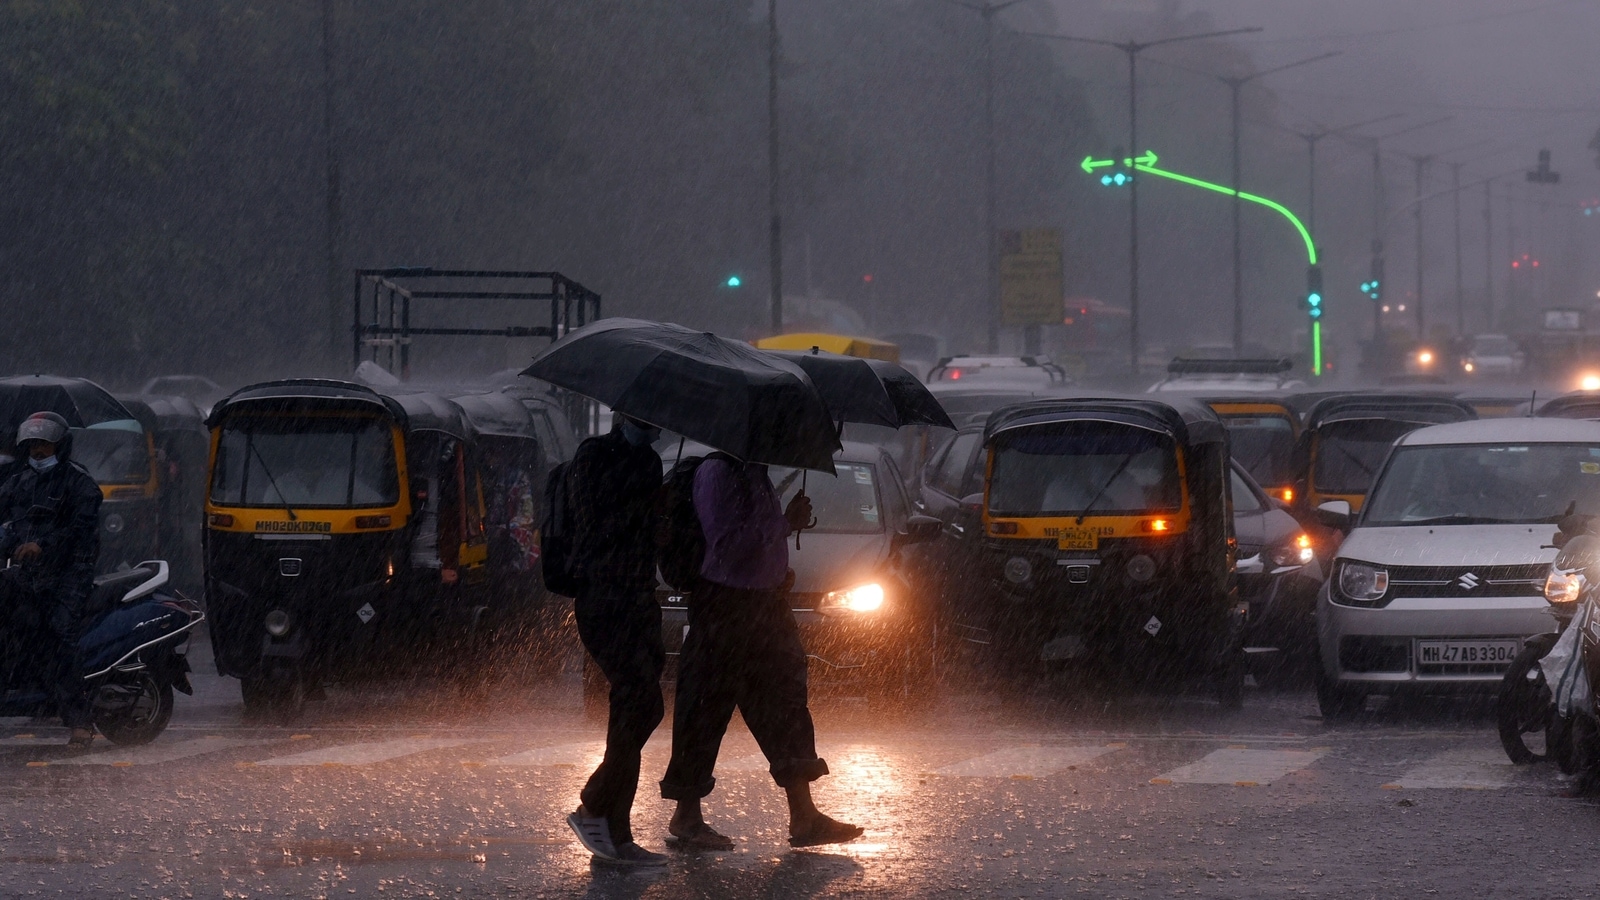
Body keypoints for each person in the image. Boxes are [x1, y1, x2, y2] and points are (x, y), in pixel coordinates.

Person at [659, 456, 863, 850]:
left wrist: (778, 558)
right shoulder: (717, 473)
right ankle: (686, 815)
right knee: (704, 709)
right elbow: (727, 543)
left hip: (766, 606)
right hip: (725, 608)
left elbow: (756, 545)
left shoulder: (757, 475)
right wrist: (785, 523)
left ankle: (804, 816)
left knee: (785, 707)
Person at [564, 415, 668, 867]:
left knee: (641, 707)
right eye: (647, 421)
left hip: (642, 598)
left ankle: (608, 817)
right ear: (623, 416)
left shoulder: (649, 462)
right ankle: (600, 811)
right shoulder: (592, 455)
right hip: (604, 599)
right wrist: (642, 507)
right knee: (637, 698)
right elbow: (593, 529)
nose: (653, 430)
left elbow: (650, 540)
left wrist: (662, 514)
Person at [0, 412, 103, 748]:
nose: (38, 451)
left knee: (57, 635)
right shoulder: (18, 482)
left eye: (44, 443)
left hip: (69, 574)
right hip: (27, 574)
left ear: (60, 444)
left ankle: (80, 722)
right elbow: (6, 522)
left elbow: (79, 529)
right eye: (33, 445)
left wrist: (42, 546)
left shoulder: (79, 483)